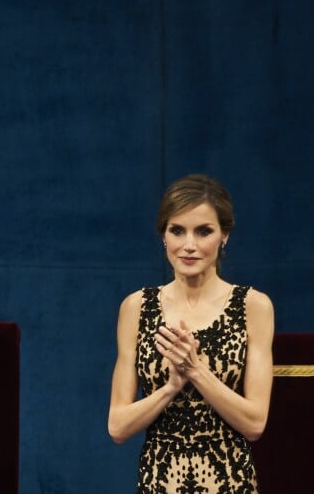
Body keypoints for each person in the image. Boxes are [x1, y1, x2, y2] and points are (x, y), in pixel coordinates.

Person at [108, 174, 274, 493]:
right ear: (163, 236)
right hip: (159, 481)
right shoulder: (136, 307)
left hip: (230, 481)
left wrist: (195, 370)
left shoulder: (253, 306)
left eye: (203, 231)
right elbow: (117, 426)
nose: (189, 245)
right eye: (177, 230)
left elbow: (254, 424)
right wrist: (170, 387)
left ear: (224, 235)